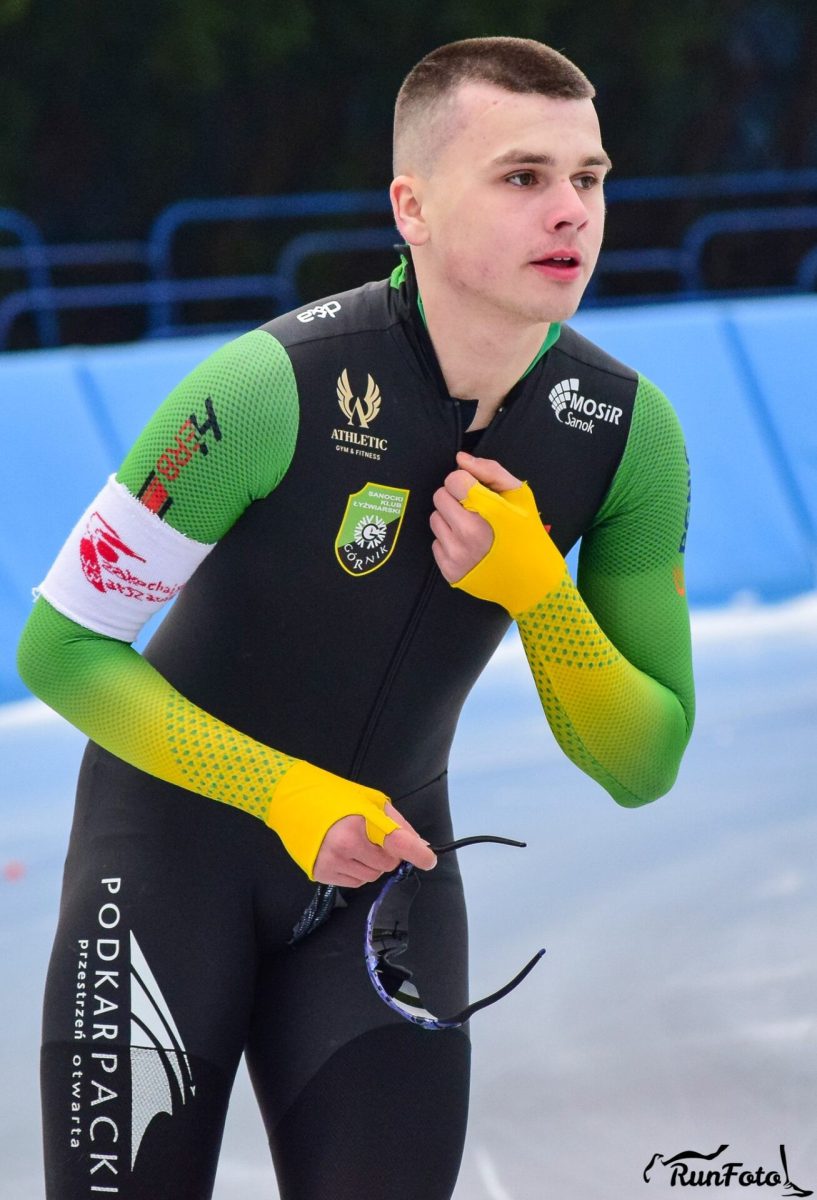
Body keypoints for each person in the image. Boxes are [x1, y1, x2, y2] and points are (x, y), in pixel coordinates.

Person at [17, 35, 695, 1200]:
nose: (570, 213)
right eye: (522, 176)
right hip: (168, 864)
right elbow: (62, 649)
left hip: (387, 880)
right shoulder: (263, 391)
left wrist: (539, 593)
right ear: (410, 207)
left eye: (588, 178)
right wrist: (284, 794)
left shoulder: (628, 436)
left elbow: (643, 762)